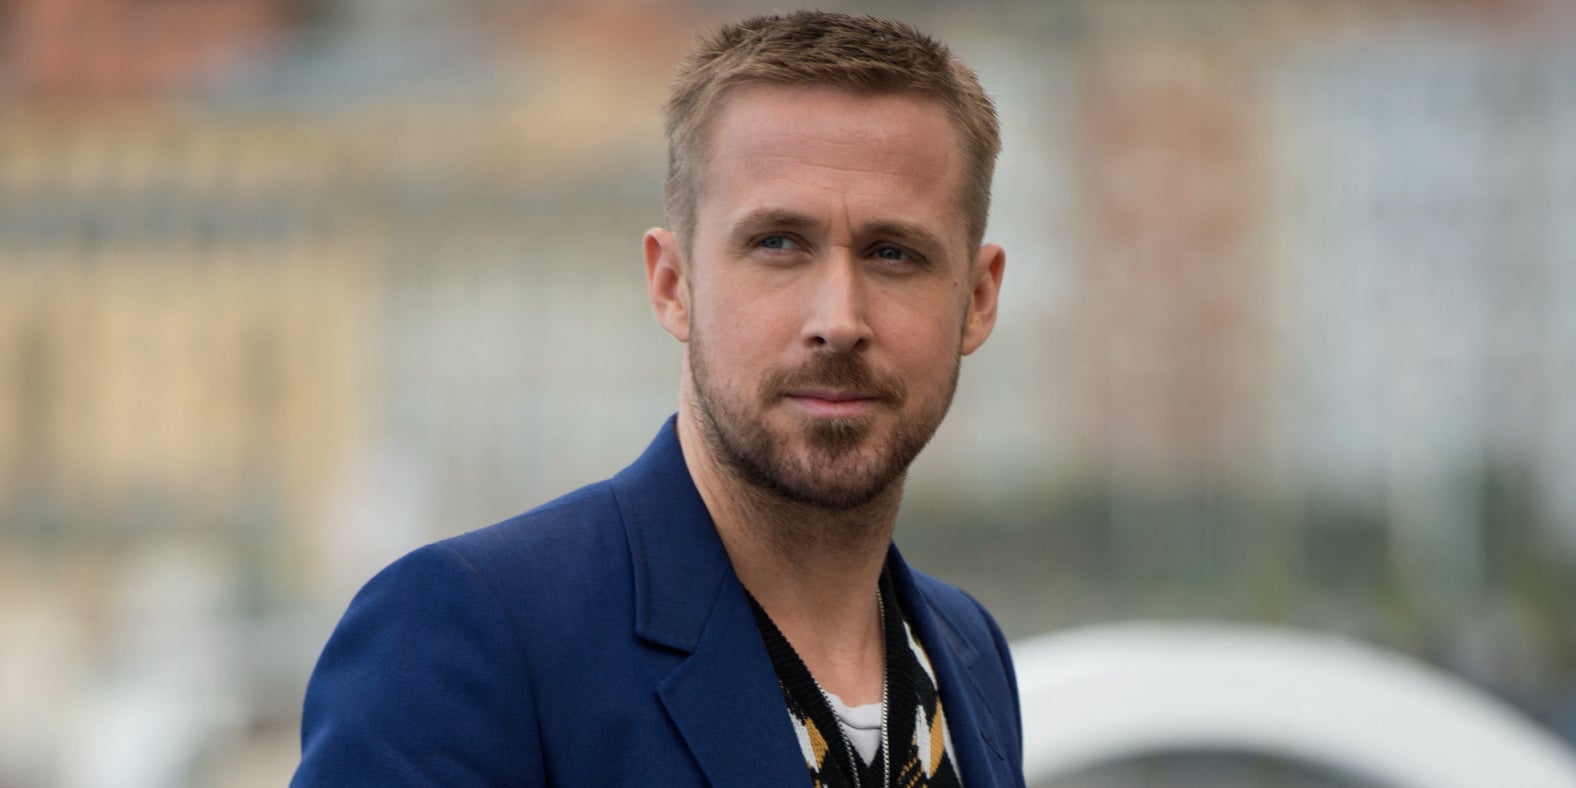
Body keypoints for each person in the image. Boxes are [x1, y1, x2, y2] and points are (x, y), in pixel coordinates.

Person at [293, 10, 1021, 787]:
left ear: (977, 299)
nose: (838, 322)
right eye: (778, 243)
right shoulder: (468, 634)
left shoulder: (966, 650)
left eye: (893, 253)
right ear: (672, 283)